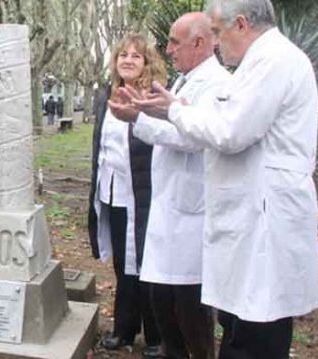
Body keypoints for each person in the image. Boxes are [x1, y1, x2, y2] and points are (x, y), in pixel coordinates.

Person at [126, 0, 318, 358]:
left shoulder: (274, 61)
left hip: (265, 221)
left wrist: (171, 110)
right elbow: (223, 115)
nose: (216, 42)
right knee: (239, 326)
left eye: (217, 32)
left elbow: (231, 131)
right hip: (250, 219)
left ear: (242, 24)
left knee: (254, 335)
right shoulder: (257, 63)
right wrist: (176, 107)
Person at [109, 12, 228, 359]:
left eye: (176, 42)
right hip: (168, 211)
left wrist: (139, 119)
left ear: (200, 43)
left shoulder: (216, 83)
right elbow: (173, 121)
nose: (169, 49)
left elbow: (193, 137)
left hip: (189, 215)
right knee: (162, 302)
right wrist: (143, 111)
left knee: (190, 310)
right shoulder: (184, 80)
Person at [87, 33, 164, 358]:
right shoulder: (106, 94)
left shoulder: (153, 98)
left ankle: (158, 335)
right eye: (123, 55)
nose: (128, 60)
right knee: (123, 265)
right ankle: (125, 329)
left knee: (149, 265)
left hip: (146, 196)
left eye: (136, 56)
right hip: (113, 194)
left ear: (147, 63)